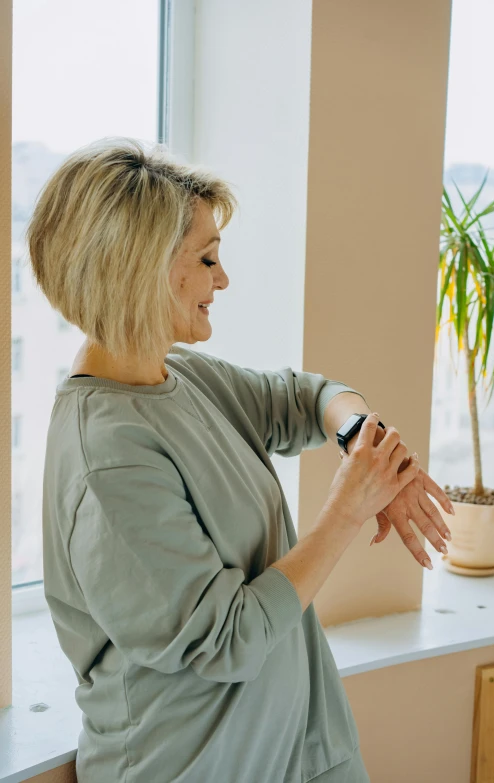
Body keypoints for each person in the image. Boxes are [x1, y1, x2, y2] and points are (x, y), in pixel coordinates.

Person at [28, 137, 454, 783]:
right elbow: (225, 639)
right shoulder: (108, 456)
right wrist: (347, 508)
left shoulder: (184, 377)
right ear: (140, 268)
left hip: (302, 748)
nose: (221, 279)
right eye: (206, 259)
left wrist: (363, 439)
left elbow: (305, 396)